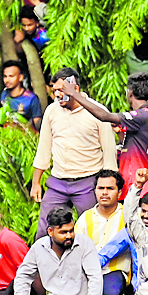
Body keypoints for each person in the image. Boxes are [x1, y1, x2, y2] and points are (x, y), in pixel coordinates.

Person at [32, 68, 119, 235]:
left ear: (75, 88)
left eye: (61, 90)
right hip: (58, 181)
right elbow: (43, 149)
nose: (57, 94)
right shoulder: (52, 110)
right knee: (45, 230)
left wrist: (108, 186)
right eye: (54, 90)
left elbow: (109, 153)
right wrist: (36, 182)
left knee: (92, 231)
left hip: (87, 181)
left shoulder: (97, 112)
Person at [76, 170, 133, 295]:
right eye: (101, 188)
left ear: (119, 193)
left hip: (115, 271)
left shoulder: (128, 215)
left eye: (110, 188)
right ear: (95, 191)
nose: (105, 193)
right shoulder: (85, 217)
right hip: (87, 272)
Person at [0, 59, 43, 131]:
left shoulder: (31, 98)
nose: (7, 80)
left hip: (24, 137)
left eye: (11, 76)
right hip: (6, 136)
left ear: (20, 77)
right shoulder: (4, 94)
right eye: (5, 76)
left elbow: (37, 123)